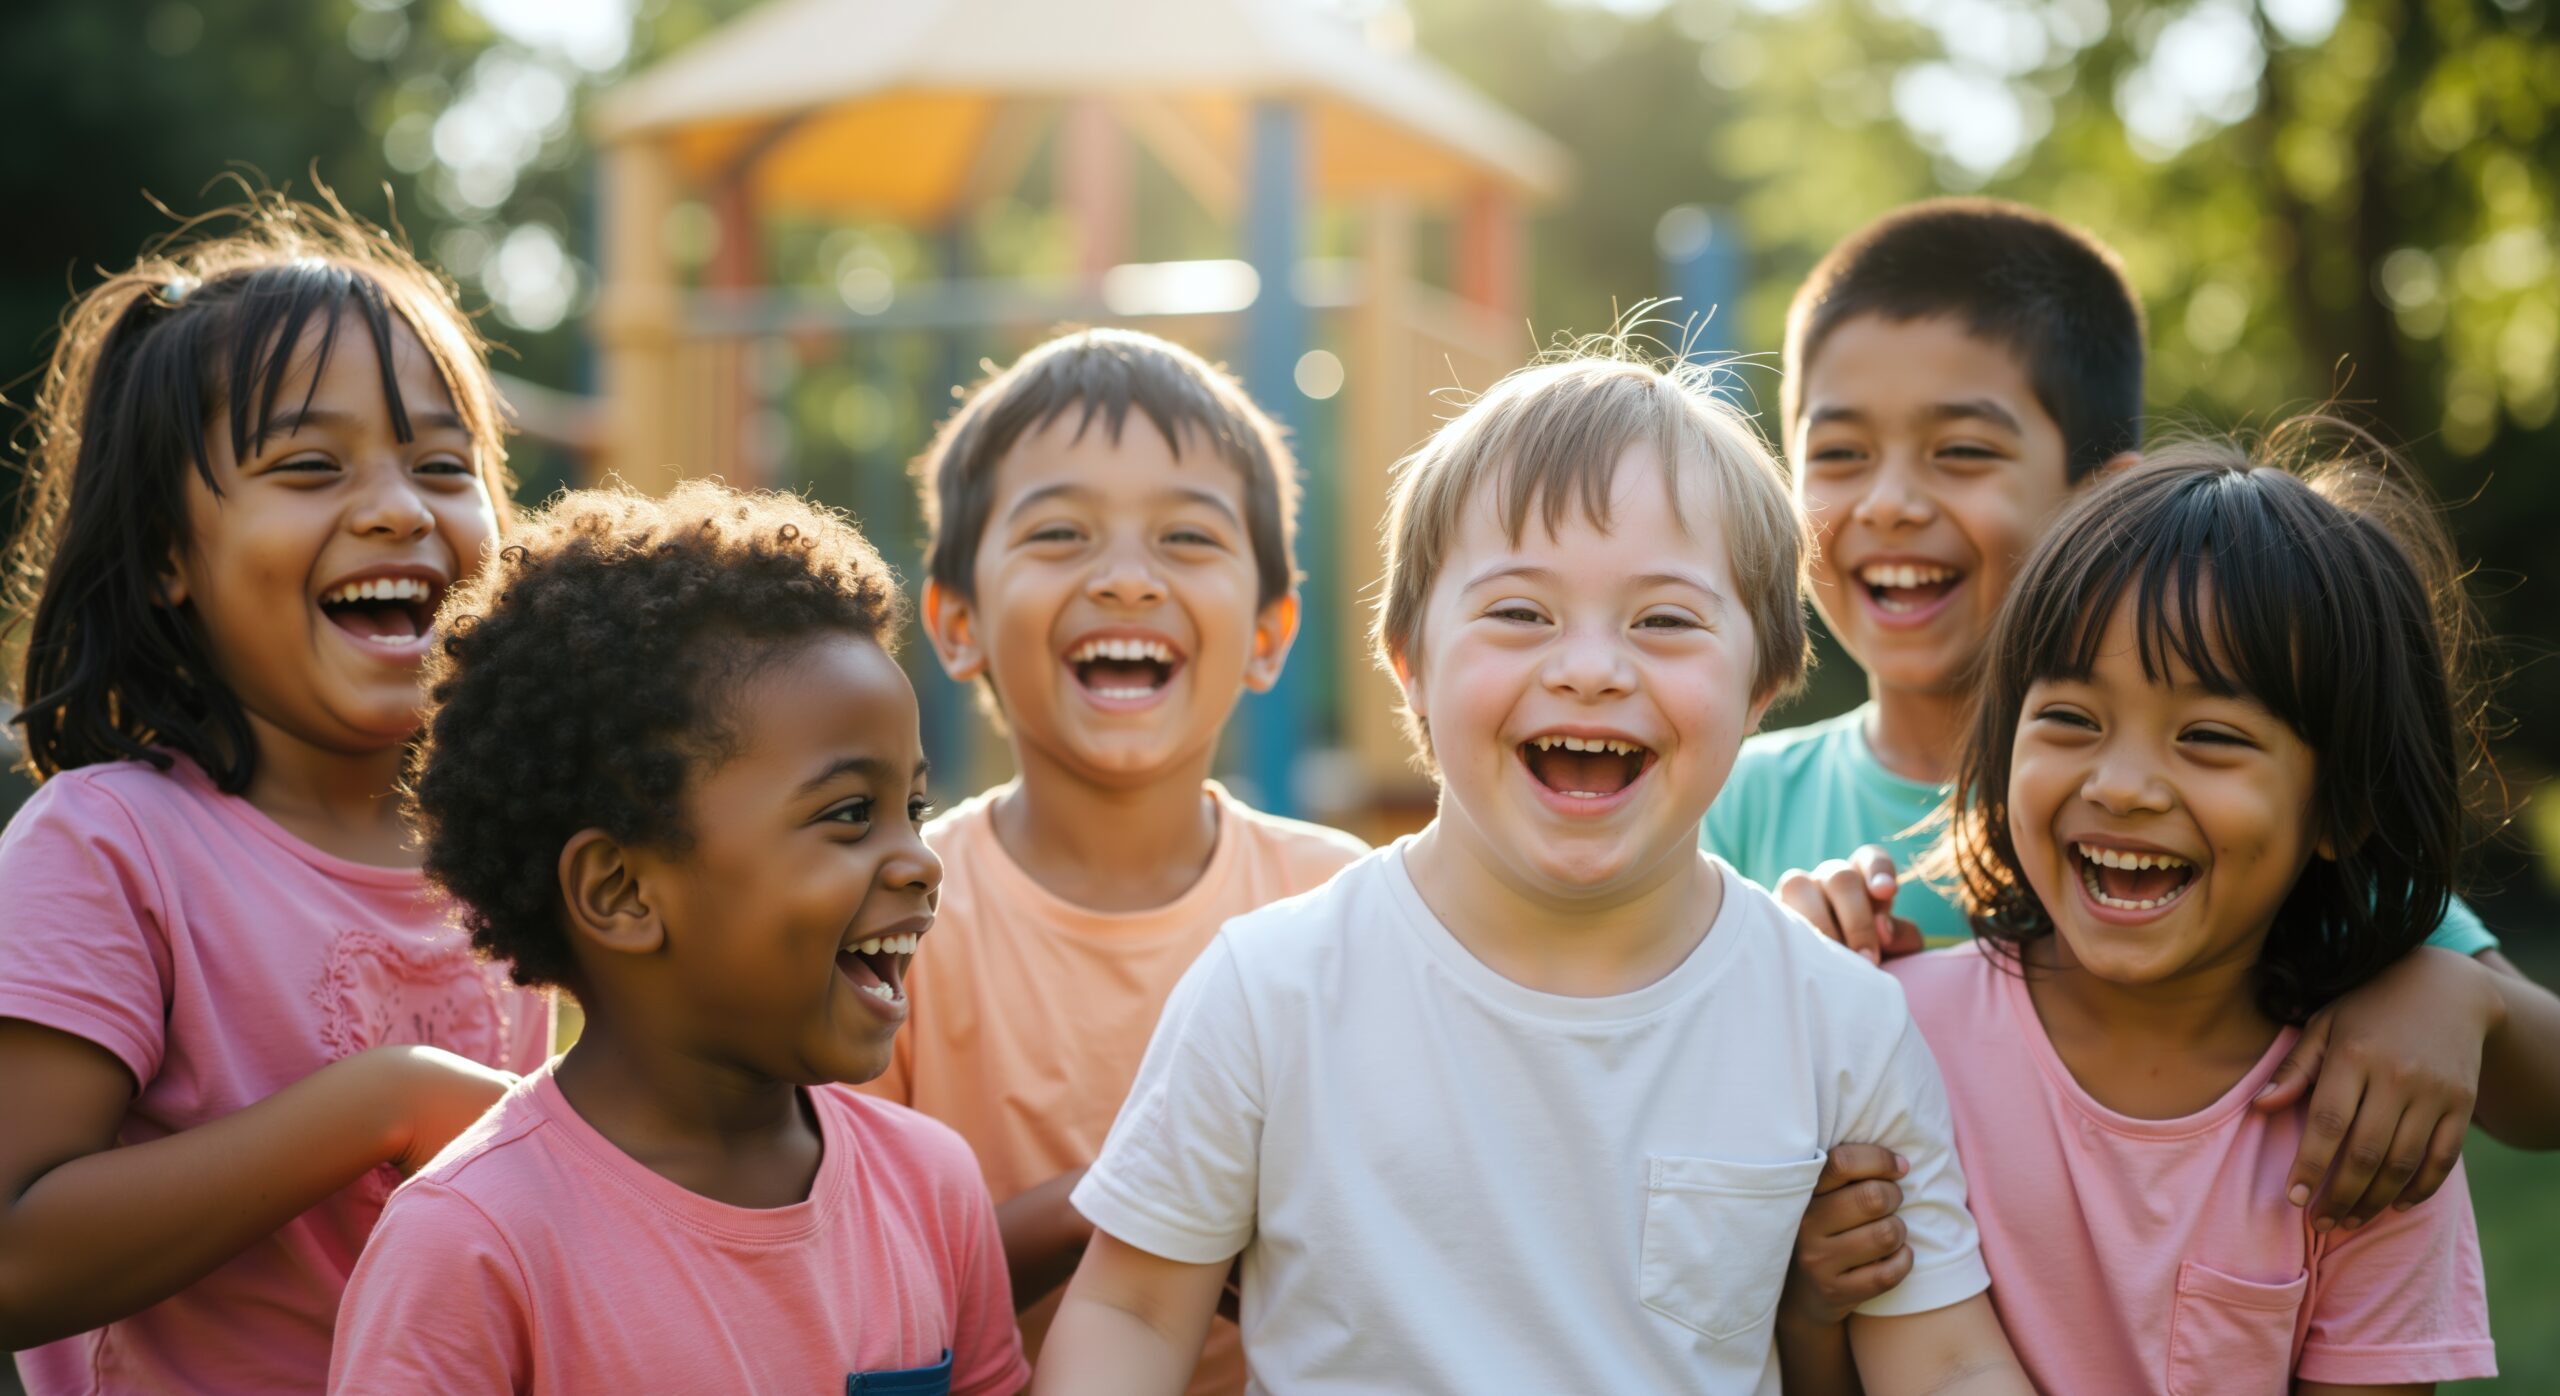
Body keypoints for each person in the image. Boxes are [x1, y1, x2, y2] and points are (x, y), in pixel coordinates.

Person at [1035, 342, 2035, 1395]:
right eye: (1519, 611)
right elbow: (1131, 1314)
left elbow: (1948, 1360)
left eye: (1664, 619)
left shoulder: (1836, 1021)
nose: (1592, 667)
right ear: (1410, 663)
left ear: (1762, 685)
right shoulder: (1272, 990)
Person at [1724, 203, 2556, 1297]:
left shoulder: (2244, 808)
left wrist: (2461, 998)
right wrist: (1755, 981)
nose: (1887, 501)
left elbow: (2539, 1097)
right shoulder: (1728, 803)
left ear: (2101, 496)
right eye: (1836, 453)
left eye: (1961, 450)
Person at [1786, 431, 2538, 1391]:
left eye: (2211, 736)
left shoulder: (2366, 1131)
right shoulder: (1895, 1036)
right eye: (2070, 719)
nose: (2126, 784)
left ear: (2341, 808)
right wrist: (1812, 1313)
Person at [0, 194, 548, 1394]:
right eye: (308, 466)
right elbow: (14, 1252)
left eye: (446, 466)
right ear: (165, 557)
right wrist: (383, 1105)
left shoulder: (538, 849)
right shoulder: (110, 848)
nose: (403, 506)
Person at [328, 482, 1027, 1394]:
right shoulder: (471, 1243)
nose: (919, 862)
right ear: (621, 892)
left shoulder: (932, 1187)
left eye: (916, 809)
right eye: (852, 813)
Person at [864, 328, 1365, 1391]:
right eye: (1059, 533)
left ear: (1271, 631)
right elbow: (856, 1280)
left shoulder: (1342, 905)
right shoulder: (892, 918)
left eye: (1187, 538)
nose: (1128, 580)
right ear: (956, 622)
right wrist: (1126, 1203)